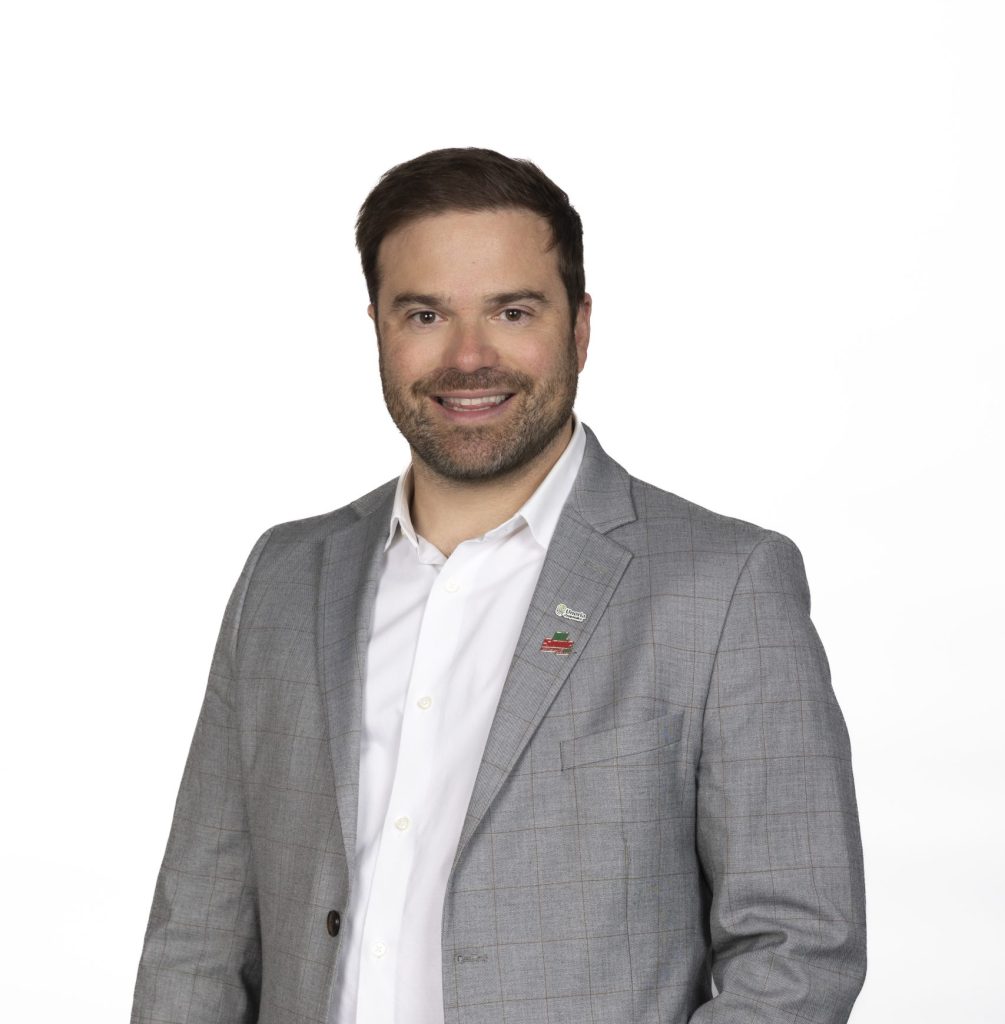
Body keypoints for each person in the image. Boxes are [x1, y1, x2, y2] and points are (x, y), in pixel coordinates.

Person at [132, 148, 867, 1024]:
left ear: (580, 327)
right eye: (425, 314)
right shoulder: (285, 578)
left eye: (512, 311)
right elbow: (197, 934)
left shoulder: (723, 586)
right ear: (377, 327)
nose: (468, 357)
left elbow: (796, 950)